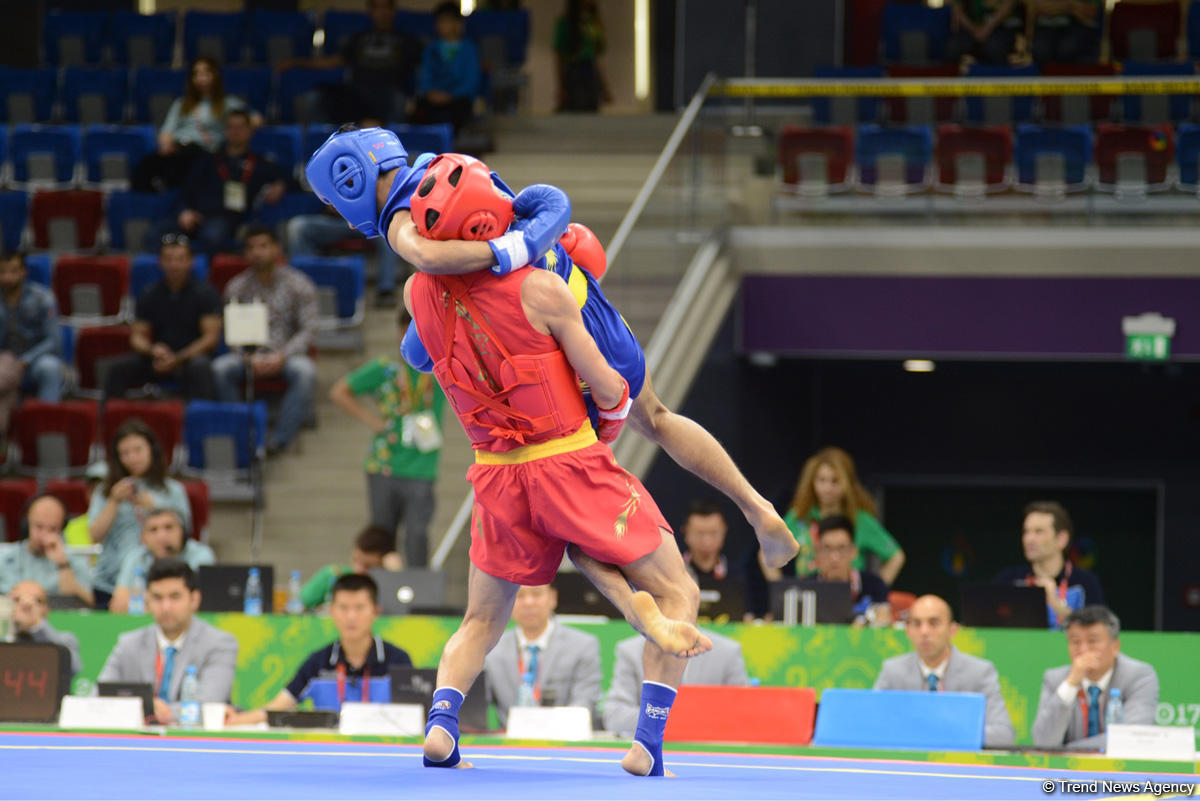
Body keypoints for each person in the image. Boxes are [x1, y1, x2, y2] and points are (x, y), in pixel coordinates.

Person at [304, 127, 797, 573]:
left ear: (349, 179)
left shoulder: (401, 221)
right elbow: (548, 203)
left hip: (544, 339)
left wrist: (504, 254)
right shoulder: (448, 166)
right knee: (657, 418)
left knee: (571, 501)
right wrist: (525, 244)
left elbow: (426, 258)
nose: (342, 218)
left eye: (333, 204)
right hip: (580, 297)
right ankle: (757, 508)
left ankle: (648, 605)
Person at [376, 150, 717, 777]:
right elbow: (610, 386)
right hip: (567, 458)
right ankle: (648, 743)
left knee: (482, 620)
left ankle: (442, 724)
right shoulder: (541, 288)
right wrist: (608, 418)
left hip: (493, 474)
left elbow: (419, 354)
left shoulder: (416, 292)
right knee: (678, 590)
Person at [330, 309, 446, 567]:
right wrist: (371, 420)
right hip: (383, 464)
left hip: (422, 466)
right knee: (381, 538)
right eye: (406, 331)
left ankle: (417, 589)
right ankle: (381, 588)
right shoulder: (386, 369)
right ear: (399, 333)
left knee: (417, 536)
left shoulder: (440, 367)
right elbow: (339, 391)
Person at [226, 573, 412, 724]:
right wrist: (236, 720)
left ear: (375, 611)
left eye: (359, 607)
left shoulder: (399, 660)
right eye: (343, 607)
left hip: (382, 750)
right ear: (332, 611)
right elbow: (278, 706)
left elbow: (415, 717)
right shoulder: (318, 662)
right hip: (331, 752)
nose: (351, 616)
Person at [212, 225, 319, 455]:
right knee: (220, 369)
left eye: (263, 246)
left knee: (306, 372)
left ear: (276, 249)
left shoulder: (299, 284)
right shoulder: (236, 287)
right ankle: (244, 432)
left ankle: (279, 440)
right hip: (248, 355)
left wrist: (283, 356)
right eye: (251, 248)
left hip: (286, 354)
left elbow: (309, 329)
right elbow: (231, 333)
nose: (257, 252)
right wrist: (246, 357)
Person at [97, 559, 238, 725]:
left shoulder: (219, 644)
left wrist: (154, 710)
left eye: (175, 597)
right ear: (147, 600)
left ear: (194, 599)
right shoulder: (129, 644)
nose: (166, 607)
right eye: (157, 598)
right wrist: (149, 709)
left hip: (192, 739)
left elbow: (210, 706)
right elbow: (98, 697)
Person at [873, 594, 1014, 747]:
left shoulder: (979, 672)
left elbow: (1004, 735)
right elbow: (870, 725)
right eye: (916, 624)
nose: (924, 632)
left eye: (934, 623)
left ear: (952, 630)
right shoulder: (893, 671)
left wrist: (943, 734)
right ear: (907, 630)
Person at [87, 419, 192, 609]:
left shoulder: (173, 490)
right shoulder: (105, 491)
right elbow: (94, 535)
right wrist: (113, 502)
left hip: (162, 581)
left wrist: (154, 508)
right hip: (110, 583)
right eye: (125, 453)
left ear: (152, 450)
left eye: (138, 450)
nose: (132, 458)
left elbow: (185, 534)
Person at [103, 234, 221, 400]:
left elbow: (210, 339)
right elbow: (137, 337)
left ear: (190, 262)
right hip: (158, 357)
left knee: (200, 367)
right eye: (168, 259)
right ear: (160, 262)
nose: (174, 265)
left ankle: (200, 414)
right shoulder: (149, 293)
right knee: (118, 368)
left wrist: (179, 358)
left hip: (190, 357)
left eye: (180, 259)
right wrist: (152, 350)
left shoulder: (206, 293)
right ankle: (114, 413)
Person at [151, 110, 286, 256]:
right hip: (195, 216)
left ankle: (198, 267)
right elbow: (186, 191)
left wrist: (280, 184)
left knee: (213, 235)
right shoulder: (207, 161)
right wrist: (184, 211)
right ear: (224, 130)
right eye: (231, 127)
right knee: (154, 234)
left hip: (227, 218)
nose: (235, 131)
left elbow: (289, 178)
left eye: (240, 127)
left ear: (250, 131)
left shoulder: (260, 164)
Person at [1031, 605, 1159, 750]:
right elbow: (1043, 742)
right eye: (1075, 642)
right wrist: (1071, 684)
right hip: (1068, 765)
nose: (1083, 650)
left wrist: (1069, 751)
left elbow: (1132, 736)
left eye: (1092, 641)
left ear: (1115, 646)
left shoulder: (1139, 676)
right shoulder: (1056, 679)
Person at [282, 0, 421, 126]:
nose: (381, 13)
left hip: (389, 93)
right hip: (357, 93)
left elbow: (422, 68)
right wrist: (296, 62)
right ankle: (327, 142)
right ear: (370, 12)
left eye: (385, 7)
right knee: (315, 98)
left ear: (393, 11)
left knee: (399, 101)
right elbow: (333, 61)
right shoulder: (359, 39)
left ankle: (390, 141)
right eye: (377, 8)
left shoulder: (407, 41)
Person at [780, 446, 905, 585]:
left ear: (847, 483)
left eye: (835, 481)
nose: (827, 488)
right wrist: (778, 588)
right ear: (812, 482)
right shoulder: (800, 515)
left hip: (849, 593)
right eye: (821, 480)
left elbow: (896, 556)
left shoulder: (860, 520)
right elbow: (768, 550)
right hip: (809, 592)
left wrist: (875, 589)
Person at [132, 57, 258, 193]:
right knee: (146, 166)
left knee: (184, 169)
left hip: (204, 153)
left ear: (215, 76)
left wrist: (231, 135)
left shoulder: (228, 103)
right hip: (178, 149)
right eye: (196, 74)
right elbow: (167, 130)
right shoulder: (181, 103)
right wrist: (166, 144)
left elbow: (255, 119)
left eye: (205, 73)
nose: (201, 78)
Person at [484, 583, 602, 728]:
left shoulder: (582, 646)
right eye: (519, 595)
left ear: (553, 598)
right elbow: (478, 703)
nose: (528, 602)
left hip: (562, 735)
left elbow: (585, 702)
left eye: (536, 594)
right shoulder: (492, 649)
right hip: (510, 738)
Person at [603, 629, 747, 738]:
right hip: (650, 749)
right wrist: (683, 720)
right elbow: (615, 715)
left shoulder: (727, 651)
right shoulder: (630, 651)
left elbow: (745, 716)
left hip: (712, 753)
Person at [994, 500, 1103, 629]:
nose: (1029, 539)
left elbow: (1100, 631)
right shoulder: (1009, 579)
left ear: (1061, 539)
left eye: (1039, 531)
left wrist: (1055, 603)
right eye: (1026, 531)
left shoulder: (1085, 581)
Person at [0, 251, 62, 435]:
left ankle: (46, 429)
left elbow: (54, 341)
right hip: (4, 361)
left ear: (23, 272)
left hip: (35, 360)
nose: (8, 277)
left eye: (13, 271)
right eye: (2, 272)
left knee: (50, 368)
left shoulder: (43, 298)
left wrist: (26, 360)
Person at [109, 508, 215, 614]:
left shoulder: (200, 555)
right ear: (143, 537)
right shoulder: (136, 557)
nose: (161, 536)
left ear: (183, 532)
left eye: (168, 527)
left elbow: (201, 603)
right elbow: (118, 606)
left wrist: (147, 601)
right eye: (153, 530)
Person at [680, 499, 768, 620]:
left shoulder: (737, 575)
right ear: (685, 532)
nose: (707, 541)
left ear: (724, 531)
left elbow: (749, 616)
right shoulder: (674, 573)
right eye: (699, 533)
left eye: (713, 533)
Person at [0, 494, 92, 606]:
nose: (44, 535)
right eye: (39, 527)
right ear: (27, 523)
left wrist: (63, 565)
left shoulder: (74, 561)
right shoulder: (3, 556)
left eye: (52, 529)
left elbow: (85, 604)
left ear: (62, 529)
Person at [803, 516, 892, 625]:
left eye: (842, 548)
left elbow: (884, 621)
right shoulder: (806, 588)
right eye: (827, 548)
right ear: (817, 552)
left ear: (853, 552)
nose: (834, 557)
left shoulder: (874, 585)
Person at [413, 3, 481, 135]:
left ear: (458, 24)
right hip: (433, 97)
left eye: (447, 21)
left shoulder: (469, 49)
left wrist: (451, 95)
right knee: (421, 109)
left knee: (460, 109)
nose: (443, 26)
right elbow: (425, 77)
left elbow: (471, 80)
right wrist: (430, 93)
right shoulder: (431, 49)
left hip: (458, 98)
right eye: (440, 22)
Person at [300, 525, 402, 611]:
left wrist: (395, 574)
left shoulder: (389, 583)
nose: (358, 569)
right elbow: (298, 604)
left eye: (368, 566)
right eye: (355, 560)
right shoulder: (333, 574)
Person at [8, 580, 83, 678]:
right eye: (17, 600)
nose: (26, 605)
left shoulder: (66, 640)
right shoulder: (5, 638)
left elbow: (74, 668)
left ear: (46, 609)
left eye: (37, 601)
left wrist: (37, 626)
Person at [554, 0, 612, 112]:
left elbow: (598, 56)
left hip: (590, 71)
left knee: (591, 110)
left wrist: (604, 86)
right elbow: (558, 57)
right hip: (573, 71)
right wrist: (561, 86)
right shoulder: (565, 23)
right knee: (575, 111)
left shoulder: (592, 23)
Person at [945, 0, 1021, 66]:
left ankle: (999, 75)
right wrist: (973, 29)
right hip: (971, 28)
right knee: (953, 47)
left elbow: (1008, 5)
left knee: (994, 47)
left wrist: (986, 28)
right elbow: (957, 9)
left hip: (1001, 28)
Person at [1032, 0, 1102, 64]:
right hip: (1043, 29)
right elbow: (1037, 7)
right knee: (1041, 48)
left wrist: (1054, 7)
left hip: (1077, 28)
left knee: (1068, 48)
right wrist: (1071, 5)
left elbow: (1090, 11)